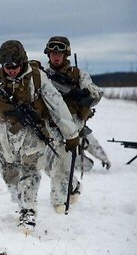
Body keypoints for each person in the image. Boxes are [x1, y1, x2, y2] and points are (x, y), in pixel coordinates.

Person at [0, 40, 79, 234]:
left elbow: (57, 106)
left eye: (15, 66)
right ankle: (21, 201)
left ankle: (28, 212)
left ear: (23, 62)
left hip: (32, 136)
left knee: (30, 173)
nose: (11, 70)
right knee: (9, 174)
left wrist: (71, 134)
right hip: (4, 137)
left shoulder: (37, 78)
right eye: (7, 66)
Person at [41, 36, 103, 214]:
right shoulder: (43, 75)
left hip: (70, 127)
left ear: (66, 54)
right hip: (48, 125)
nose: (56, 56)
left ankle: (59, 207)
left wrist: (85, 95)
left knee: (60, 166)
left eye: (59, 52)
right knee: (44, 163)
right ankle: (73, 185)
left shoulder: (78, 75)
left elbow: (96, 93)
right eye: (53, 52)